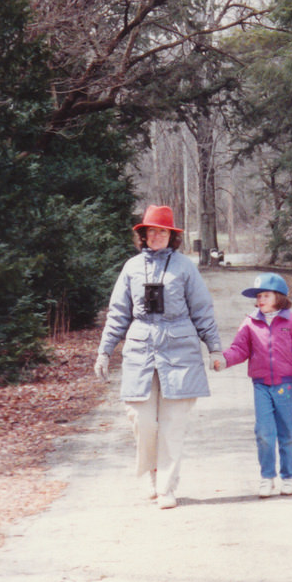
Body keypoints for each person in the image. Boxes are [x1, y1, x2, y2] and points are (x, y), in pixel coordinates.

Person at [94, 205, 223, 509]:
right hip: (140, 350)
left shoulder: (185, 267)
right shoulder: (131, 268)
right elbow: (118, 314)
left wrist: (214, 348)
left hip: (180, 350)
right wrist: (104, 351)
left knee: (172, 425)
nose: (156, 236)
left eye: (162, 231)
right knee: (142, 420)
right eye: (151, 231)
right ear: (143, 235)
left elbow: (203, 310)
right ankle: (152, 474)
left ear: (172, 236)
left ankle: (166, 487)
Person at [213, 273, 292, 498]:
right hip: (261, 386)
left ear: (279, 297)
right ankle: (267, 477)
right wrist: (225, 360)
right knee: (264, 433)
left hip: (285, 386)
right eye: (258, 296)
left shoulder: (291, 322)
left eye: (265, 295)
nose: (261, 300)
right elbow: (240, 349)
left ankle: (288, 476)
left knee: (287, 433)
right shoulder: (250, 322)